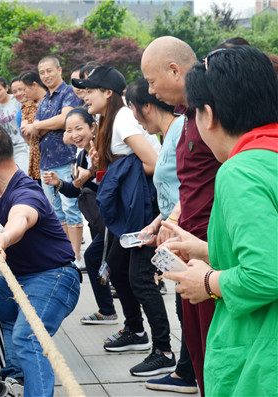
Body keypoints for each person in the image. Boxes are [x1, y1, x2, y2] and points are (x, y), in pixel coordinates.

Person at [163, 45, 278, 397]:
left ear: (208, 115)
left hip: (261, 357)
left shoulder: (240, 171)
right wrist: (208, 250)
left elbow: (266, 273)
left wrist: (209, 281)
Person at [0, 121, 80, 397]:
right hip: (19, 282)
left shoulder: (26, 190)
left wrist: (4, 237)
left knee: (28, 336)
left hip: (56, 278)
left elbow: (21, 219)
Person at [74, 66, 174, 377]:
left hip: (143, 209)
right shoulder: (108, 119)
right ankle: (135, 330)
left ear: (108, 93)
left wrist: (115, 171)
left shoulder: (122, 119)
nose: (84, 94)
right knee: (109, 264)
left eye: (90, 89)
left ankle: (164, 350)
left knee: (141, 277)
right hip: (129, 207)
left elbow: (154, 163)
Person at [141, 36, 221, 395]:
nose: (150, 90)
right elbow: (189, 185)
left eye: (152, 81)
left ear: (175, 70)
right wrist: (169, 222)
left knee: (214, 342)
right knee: (195, 339)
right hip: (187, 241)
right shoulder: (187, 117)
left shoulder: (214, 113)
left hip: (212, 247)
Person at [124, 78, 197, 393]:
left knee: (190, 302)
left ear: (147, 106)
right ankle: (185, 369)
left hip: (188, 229)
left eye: (135, 111)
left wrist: (170, 220)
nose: (136, 119)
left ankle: (184, 370)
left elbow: (192, 186)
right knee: (186, 302)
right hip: (174, 228)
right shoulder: (168, 135)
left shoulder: (183, 128)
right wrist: (156, 223)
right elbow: (173, 191)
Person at [44, 107, 117, 326]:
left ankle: (122, 320)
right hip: (97, 221)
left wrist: (94, 171)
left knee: (99, 261)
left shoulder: (102, 151)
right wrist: (59, 183)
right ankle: (110, 313)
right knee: (99, 261)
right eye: (69, 130)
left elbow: (112, 180)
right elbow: (78, 190)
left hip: (113, 220)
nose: (75, 134)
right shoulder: (81, 154)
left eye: (79, 128)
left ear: (92, 127)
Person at [21, 56, 84, 268]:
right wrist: (32, 129)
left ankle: (76, 255)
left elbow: (65, 120)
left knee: (71, 207)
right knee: (56, 212)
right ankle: (65, 253)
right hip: (46, 162)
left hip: (66, 160)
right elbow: (37, 131)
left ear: (59, 70)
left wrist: (38, 125)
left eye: (50, 70)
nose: (46, 75)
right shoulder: (45, 101)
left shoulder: (68, 93)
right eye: (42, 72)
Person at [0, 76, 29, 174]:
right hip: (5, 149)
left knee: (24, 174)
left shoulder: (16, 101)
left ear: (6, 88)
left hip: (22, 145)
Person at [18, 71, 47, 181]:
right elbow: (24, 129)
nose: (23, 94)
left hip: (51, 153)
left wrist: (35, 127)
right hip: (35, 154)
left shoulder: (50, 101)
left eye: (24, 89)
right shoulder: (27, 105)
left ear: (34, 85)